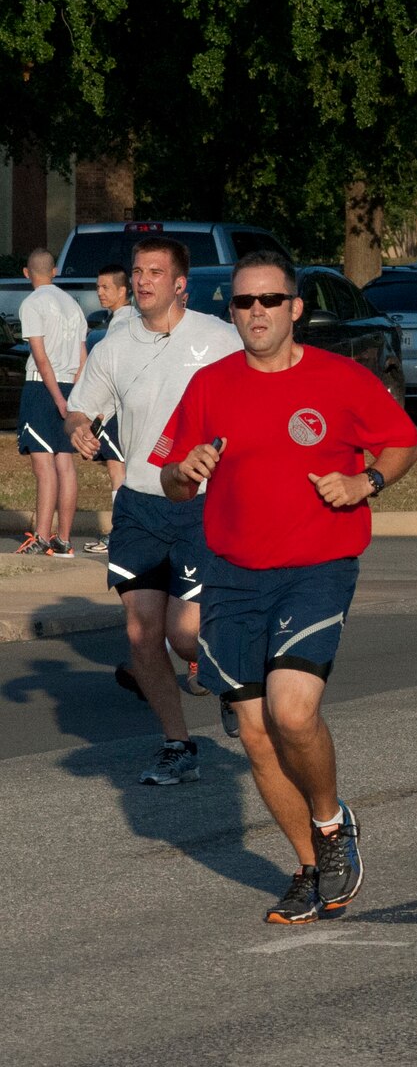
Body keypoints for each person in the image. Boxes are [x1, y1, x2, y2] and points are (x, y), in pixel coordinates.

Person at [156, 249, 417, 924]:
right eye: (243, 303)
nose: (256, 314)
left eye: (269, 301)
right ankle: (309, 867)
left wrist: (367, 482)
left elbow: (403, 442)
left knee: (292, 711)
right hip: (232, 575)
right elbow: (171, 480)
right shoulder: (212, 385)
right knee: (253, 732)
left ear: (295, 308)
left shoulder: (341, 378)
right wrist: (184, 470)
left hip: (316, 566)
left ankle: (332, 824)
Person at [63, 236, 242, 781]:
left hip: (200, 504)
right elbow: (78, 411)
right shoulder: (114, 346)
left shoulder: (219, 339)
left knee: (185, 634)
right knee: (141, 633)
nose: (142, 281)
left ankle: (230, 681)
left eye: (155, 272)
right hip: (140, 503)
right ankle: (177, 743)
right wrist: (81, 432)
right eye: (137, 271)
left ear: (180, 283)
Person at [14, 248, 87, 557]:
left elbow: (40, 357)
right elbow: (83, 356)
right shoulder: (73, 305)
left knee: (43, 464)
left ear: (26, 273)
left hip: (44, 388)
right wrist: (77, 396)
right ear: (55, 271)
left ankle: (42, 537)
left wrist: (56, 397)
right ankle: (64, 540)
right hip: (72, 383)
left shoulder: (33, 303)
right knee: (64, 462)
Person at [83, 265, 136, 539]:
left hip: (117, 410)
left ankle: (121, 531)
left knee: (118, 470)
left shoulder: (122, 324)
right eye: (98, 287)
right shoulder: (126, 319)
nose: (100, 293)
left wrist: (101, 413)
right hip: (122, 409)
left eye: (106, 287)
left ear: (123, 290)